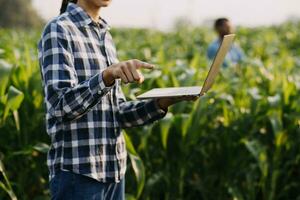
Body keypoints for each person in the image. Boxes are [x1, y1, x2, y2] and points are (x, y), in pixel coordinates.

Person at [38, 0, 197, 199]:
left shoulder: (105, 34)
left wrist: (162, 102)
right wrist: (106, 76)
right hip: (78, 174)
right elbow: (60, 106)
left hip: (114, 172)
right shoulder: (58, 29)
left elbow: (117, 114)